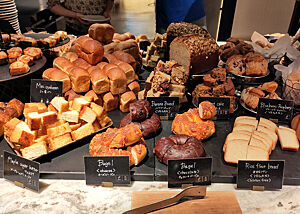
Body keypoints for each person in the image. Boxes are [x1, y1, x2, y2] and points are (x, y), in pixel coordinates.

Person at [48, 0, 114, 35]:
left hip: (103, 27)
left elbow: (110, 0)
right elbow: (53, 5)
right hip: (75, 29)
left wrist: (107, 11)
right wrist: (75, 15)